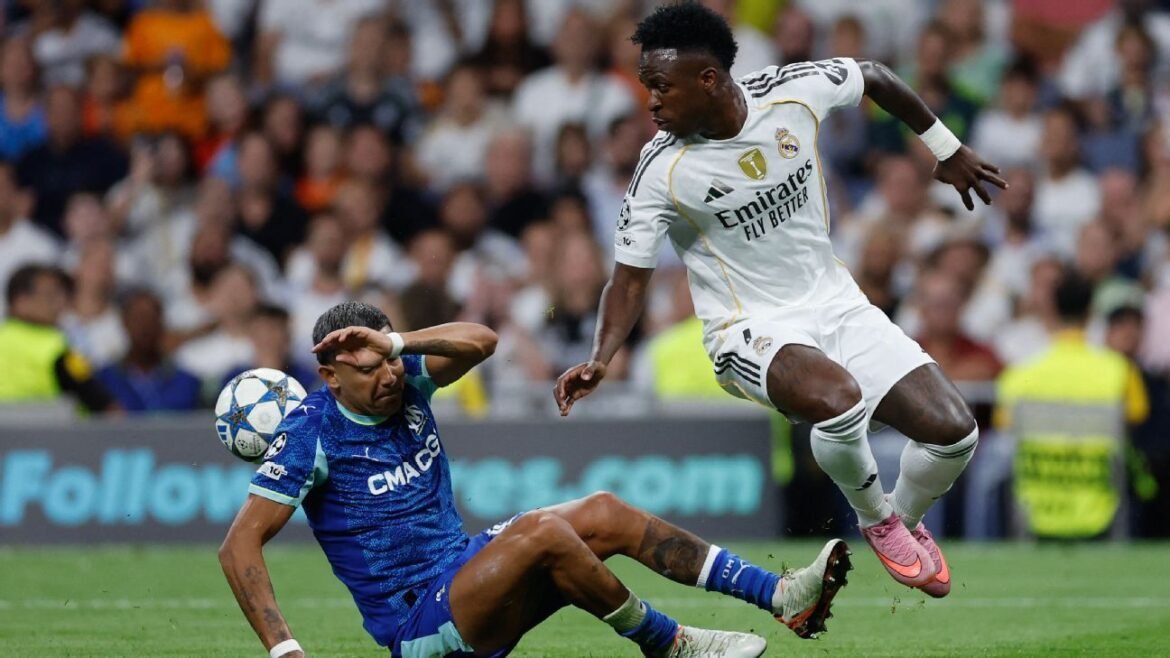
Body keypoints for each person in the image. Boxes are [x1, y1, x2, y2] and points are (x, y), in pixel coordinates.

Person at [554, 2, 1008, 598]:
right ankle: (877, 520)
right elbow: (628, 280)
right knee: (838, 402)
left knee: (955, 435)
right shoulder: (660, 170)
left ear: (708, 79)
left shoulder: (790, 93)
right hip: (746, 328)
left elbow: (873, 75)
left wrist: (946, 149)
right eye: (647, 87)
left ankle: (903, 517)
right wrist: (601, 356)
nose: (652, 102)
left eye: (661, 86)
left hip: (836, 304)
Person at [219, 302, 852, 658]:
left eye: (389, 363)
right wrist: (285, 649)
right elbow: (238, 545)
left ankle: (780, 596)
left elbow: (482, 340)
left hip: (465, 570)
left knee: (603, 511)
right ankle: (670, 644)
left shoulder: (405, 378)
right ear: (330, 376)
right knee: (542, 532)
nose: (386, 378)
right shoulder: (310, 435)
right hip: (419, 626)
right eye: (366, 371)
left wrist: (397, 342)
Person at [0, 263, 116, 413]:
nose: (60, 303)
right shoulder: (54, 347)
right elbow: (102, 402)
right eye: (50, 296)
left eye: (62, 295)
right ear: (21, 301)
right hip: (48, 427)